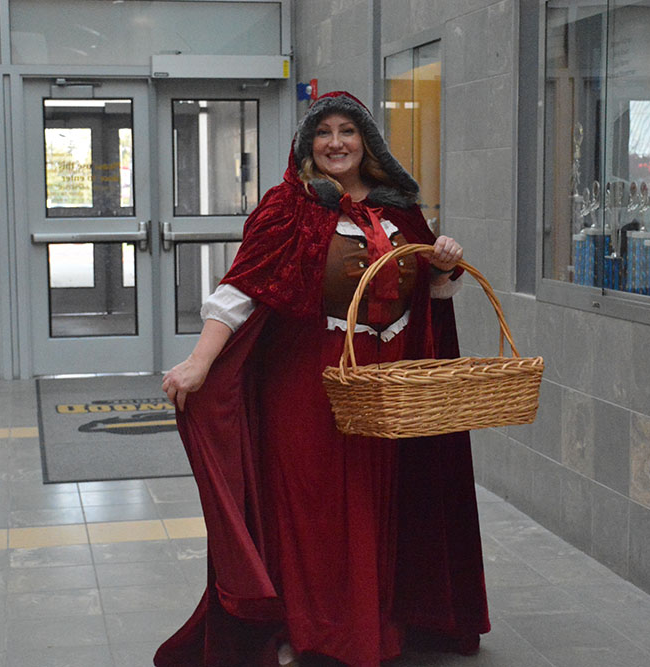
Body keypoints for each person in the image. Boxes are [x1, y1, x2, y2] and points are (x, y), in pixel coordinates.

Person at [157, 91, 489, 666]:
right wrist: (201, 361)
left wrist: (443, 266)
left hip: (388, 386)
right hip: (309, 382)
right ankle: (306, 629)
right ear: (307, 144)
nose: (336, 143)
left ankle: (374, 622)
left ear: (368, 141)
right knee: (311, 512)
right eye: (323, 132)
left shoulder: (403, 210)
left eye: (348, 131)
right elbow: (242, 289)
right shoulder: (288, 208)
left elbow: (426, 297)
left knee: (378, 503)